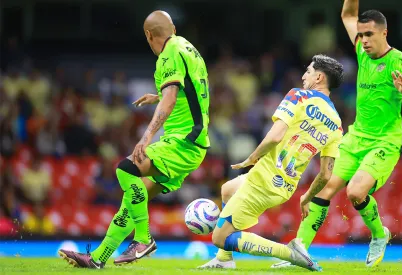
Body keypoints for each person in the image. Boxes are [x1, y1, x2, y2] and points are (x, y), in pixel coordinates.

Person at [272, 0, 402, 269]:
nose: (364, 40)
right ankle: (298, 252)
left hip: (385, 142)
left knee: (355, 192)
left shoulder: (401, 62)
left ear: (384, 33)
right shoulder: (360, 51)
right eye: (362, 34)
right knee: (324, 187)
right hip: (355, 137)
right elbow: (347, 13)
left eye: (369, 34)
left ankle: (379, 234)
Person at [58, 10, 210, 269]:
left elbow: (172, 99)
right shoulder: (188, 47)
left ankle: (143, 239)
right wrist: (158, 96)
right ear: (172, 28)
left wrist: (146, 137)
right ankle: (98, 258)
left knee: (126, 169)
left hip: (183, 142)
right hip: (191, 143)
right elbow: (189, 90)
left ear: (148, 35)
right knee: (133, 199)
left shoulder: (169, 53)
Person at [199, 55, 344, 271]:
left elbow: (275, 136)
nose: (304, 76)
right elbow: (325, 174)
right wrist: (307, 197)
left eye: (308, 71)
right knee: (228, 189)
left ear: (319, 77)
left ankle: (290, 253)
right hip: (285, 185)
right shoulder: (336, 124)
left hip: (264, 178)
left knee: (220, 237)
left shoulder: (299, 96)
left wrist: (252, 158)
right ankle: (224, 259)